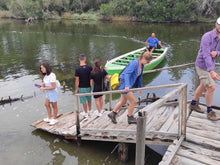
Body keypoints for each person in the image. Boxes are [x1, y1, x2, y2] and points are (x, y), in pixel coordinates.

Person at [108, 51, 152, 124]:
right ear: (143, 58)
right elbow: (127, 74)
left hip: (127, 85)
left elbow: (140, 77)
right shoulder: (134, 63)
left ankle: (112, 114)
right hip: (124, 85)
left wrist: (140, 87)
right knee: (134, 101)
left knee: (123, 102)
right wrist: (127, 85)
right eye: (147, 61)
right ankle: (130, 117)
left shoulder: (142, 65)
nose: (147, 63)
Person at [189, 17, 220, 121]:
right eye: (219, 24)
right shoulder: (207, 37)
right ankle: (209, 111)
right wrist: (211, 71)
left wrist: (217, 53)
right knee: (211, 87)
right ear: (216, 23)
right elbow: (206, 55)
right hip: (202, 65)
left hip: (210, 65)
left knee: (203, 85)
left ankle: (193, 104)